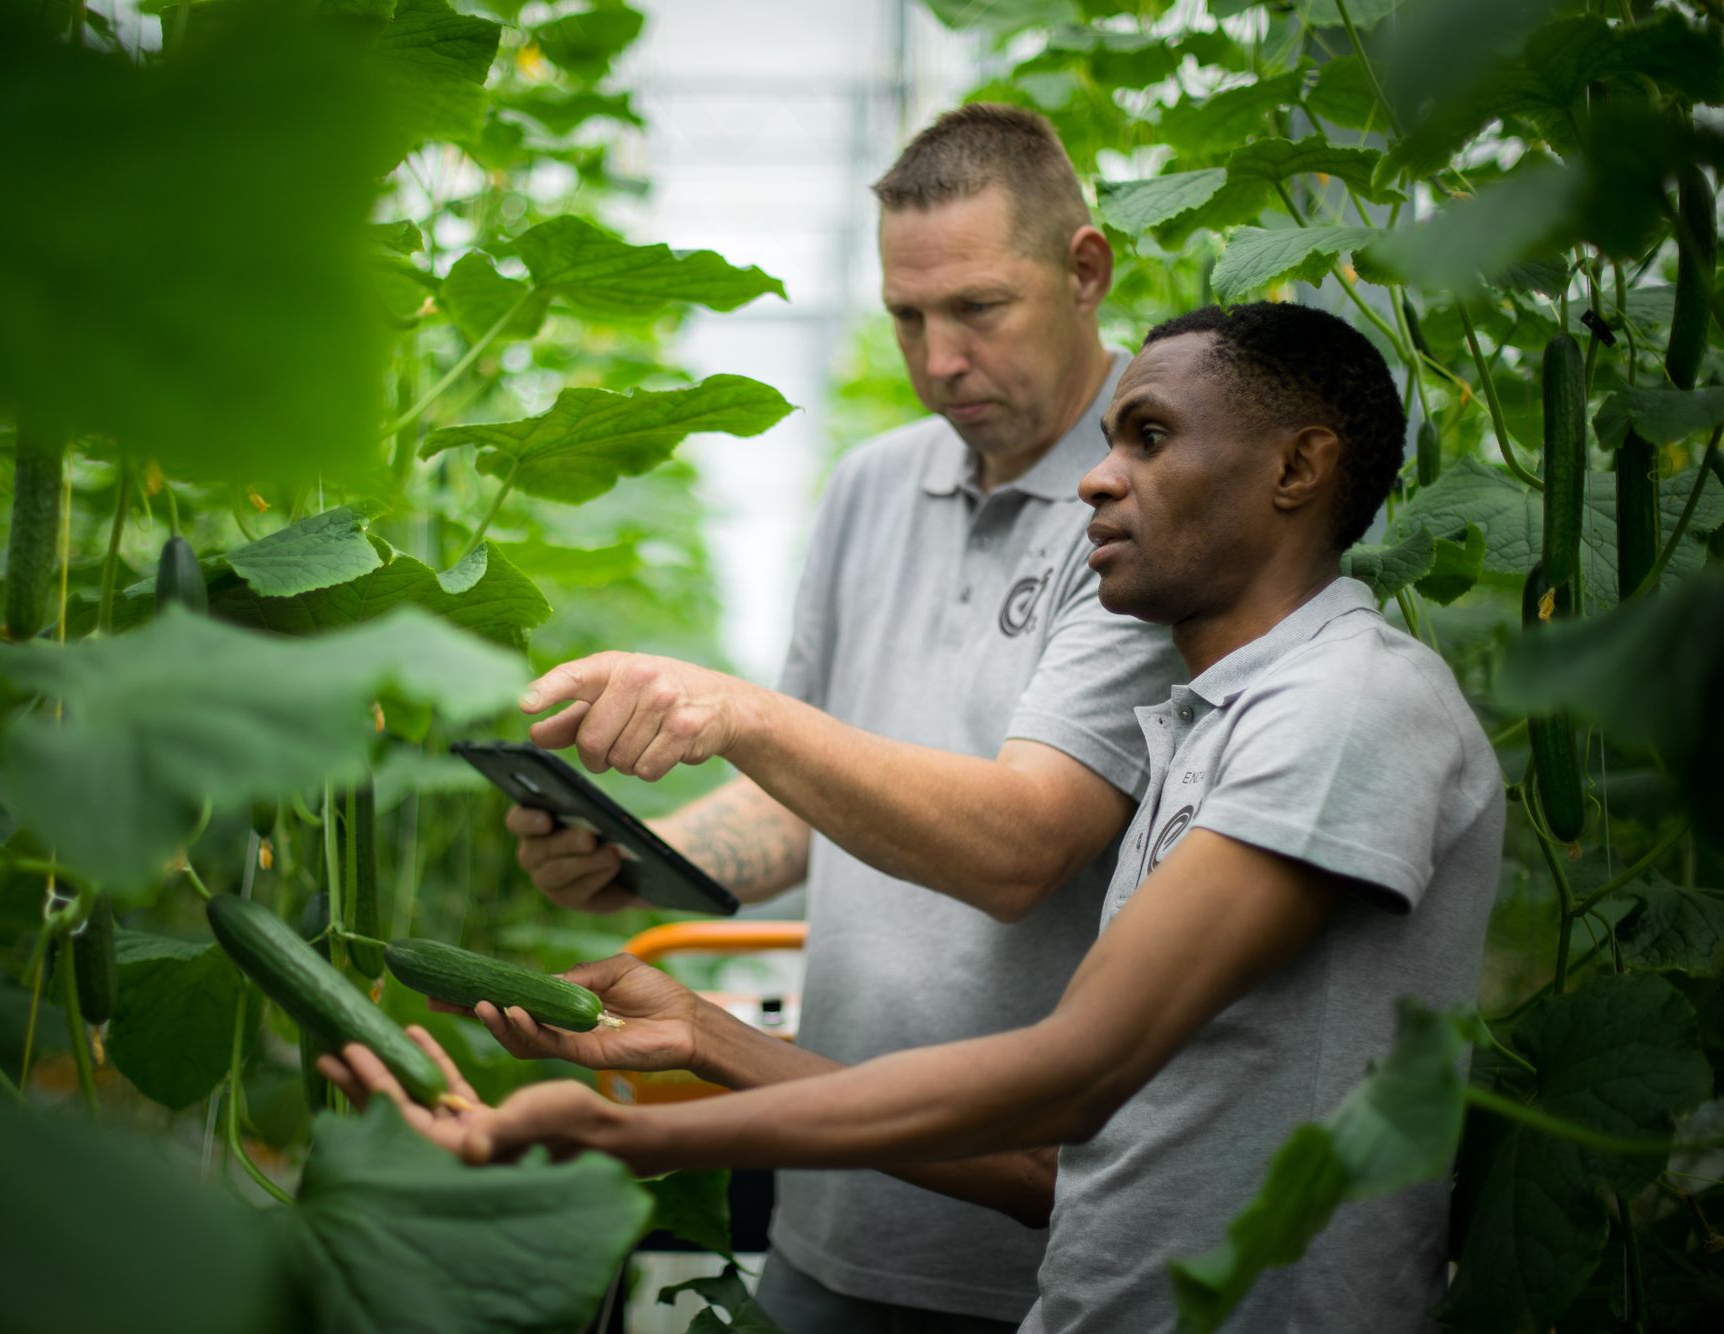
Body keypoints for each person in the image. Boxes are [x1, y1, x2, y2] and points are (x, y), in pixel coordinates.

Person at [327, 301, 1507, 1332]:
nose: (1098, 478)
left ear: (1297, 468)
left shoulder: (1348, 702)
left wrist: (624, 1137)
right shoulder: (1207, 724)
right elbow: (1061, 1168)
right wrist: (701, 1036)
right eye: (1108, 443)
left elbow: (1073, 1068)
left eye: (1148, 437)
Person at [503, 103, 1182, 1331]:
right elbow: (800, 793)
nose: (938, 360)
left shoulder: (1147, 507)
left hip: (1045, 1230)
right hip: (837, 1189)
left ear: (1085, 270)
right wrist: (636, 863)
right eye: (905, 318)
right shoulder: (872, 485)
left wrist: (742, 713)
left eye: (977, 308)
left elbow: (1020, 849)